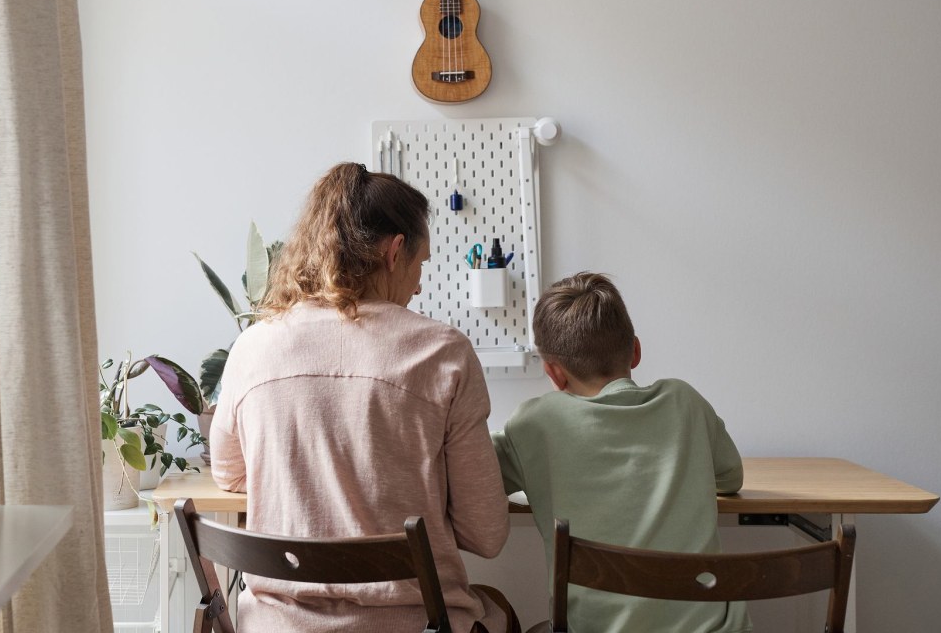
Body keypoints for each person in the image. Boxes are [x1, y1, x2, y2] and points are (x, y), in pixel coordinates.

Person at [211, 162, 518, 633]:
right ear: (395, 252)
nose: (418, 284)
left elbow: (230, 474)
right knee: (500, 608)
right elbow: (487, 533)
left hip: (277, 628)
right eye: (421, 264)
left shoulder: (254, 346)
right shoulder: (443, 352)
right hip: (416, 625)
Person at [492, 272, 751, 633]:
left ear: (554, 374)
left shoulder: (534, 424)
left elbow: (470, 473)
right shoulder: (684, 402)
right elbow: (730, 477)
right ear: (636, 350)